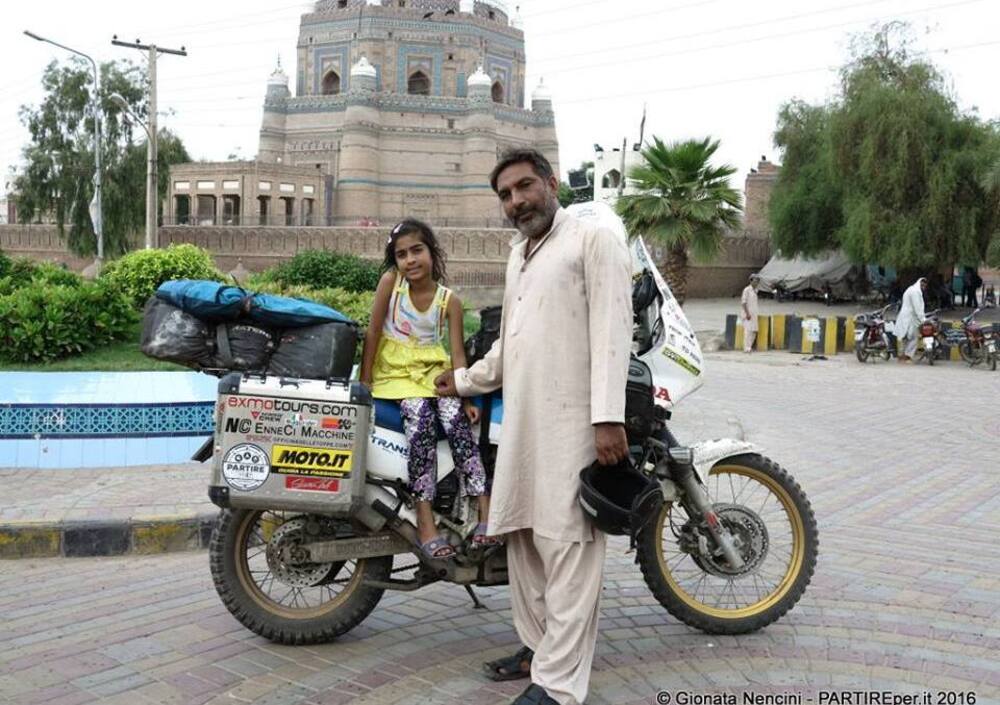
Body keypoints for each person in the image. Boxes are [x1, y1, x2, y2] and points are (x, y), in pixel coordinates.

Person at [435, 148, 632, 705]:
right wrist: (466, 379)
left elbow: (613, 332)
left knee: (568, 544)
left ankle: (559, 686)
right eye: (505, 194)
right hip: (521, 424)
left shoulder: (593, 240)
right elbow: (511, 340)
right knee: (523, 538)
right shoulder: (519, 254)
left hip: (575, 424)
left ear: (551, 184)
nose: (516, 201)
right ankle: (538, 649)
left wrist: (608, 418)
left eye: (524, 187)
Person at [359, 218, 493, 559]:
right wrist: (365, 381)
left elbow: (457, 354)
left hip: (433, 375)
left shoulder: (450, 301)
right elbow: (372, 332)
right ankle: (425, 521)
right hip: (396, 375)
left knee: (458, 424)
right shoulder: (391, 284)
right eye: (401, 254)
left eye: (417, 250)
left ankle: (485, 512)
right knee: (420, 422)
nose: (410, 260)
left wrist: (465, 394)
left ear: (432, 252)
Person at [894, 277, 928, 364]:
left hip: (905, 316)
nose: (924, 288)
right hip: (910, 318)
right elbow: (917, 308)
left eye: (925, 286)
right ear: (920, 284)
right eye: (923, 285)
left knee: (905, 337)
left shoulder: (910, 289)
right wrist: (923, 319)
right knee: (913, 337)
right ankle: (907, 356)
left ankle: (902, 356)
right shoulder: (915, 292)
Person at [740, 274, 760, 353]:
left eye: (757, 281)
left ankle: (749, 346)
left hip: (754, 313)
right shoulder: (747, 290)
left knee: (754, 331)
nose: (756, 283)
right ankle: (746, 348)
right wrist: (747, 313)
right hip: (748, 314)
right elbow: (743, 302)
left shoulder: (756, 290)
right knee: (748, 331)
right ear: (751, 281)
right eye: (755, 281)